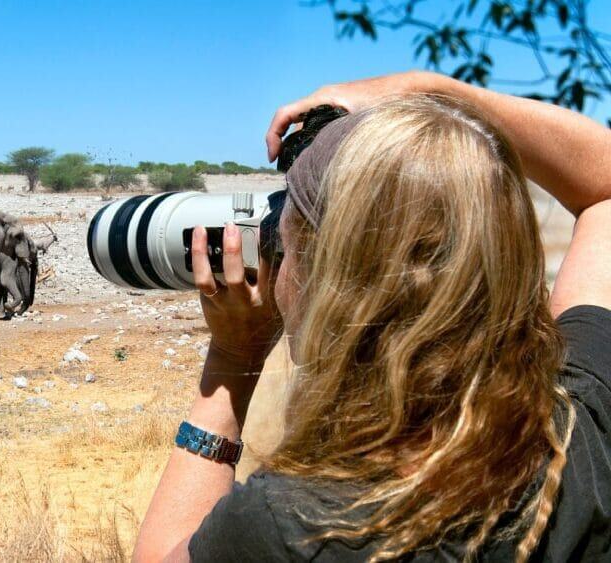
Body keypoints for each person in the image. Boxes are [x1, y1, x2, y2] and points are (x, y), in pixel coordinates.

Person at [133, 71, 611, 562]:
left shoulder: (300, 525)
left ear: (329, 285)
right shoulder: (575, 429)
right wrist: (431, 91)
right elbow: (604, 187)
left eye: (287, 243)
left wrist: (232, 362)